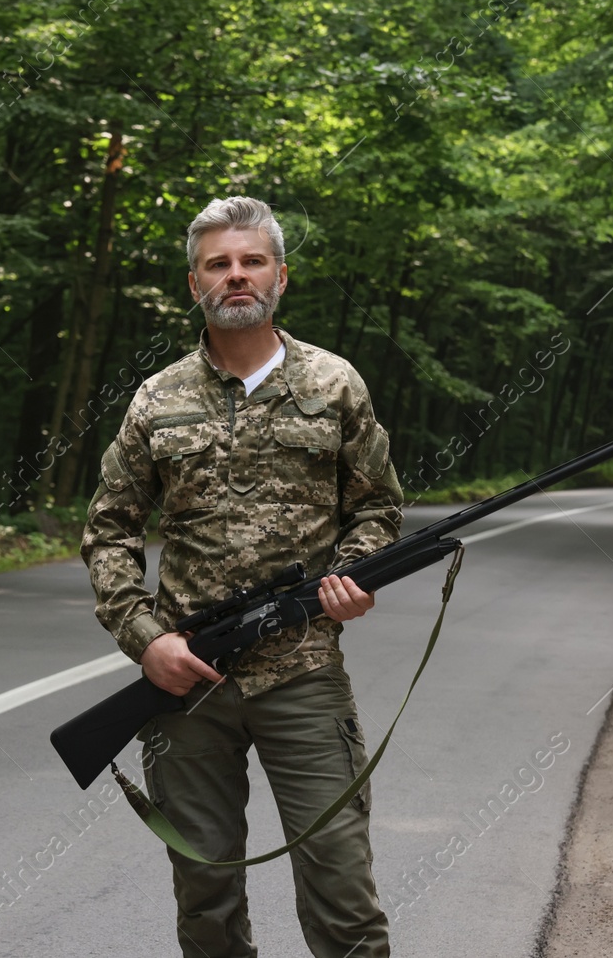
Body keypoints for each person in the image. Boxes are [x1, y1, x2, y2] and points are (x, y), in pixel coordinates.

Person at [81, 196, 403, 957]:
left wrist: (354, 578)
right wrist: (147, 640)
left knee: (343, 893)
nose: (236, 275)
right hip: (188, 682)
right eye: (217, 264)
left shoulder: (334, 384)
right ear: (195, 284)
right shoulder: (157, 399)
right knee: (207, 897)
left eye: (251, 260)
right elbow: (108, 531)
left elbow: (378, 509)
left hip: (303, 673)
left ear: (279, 276)